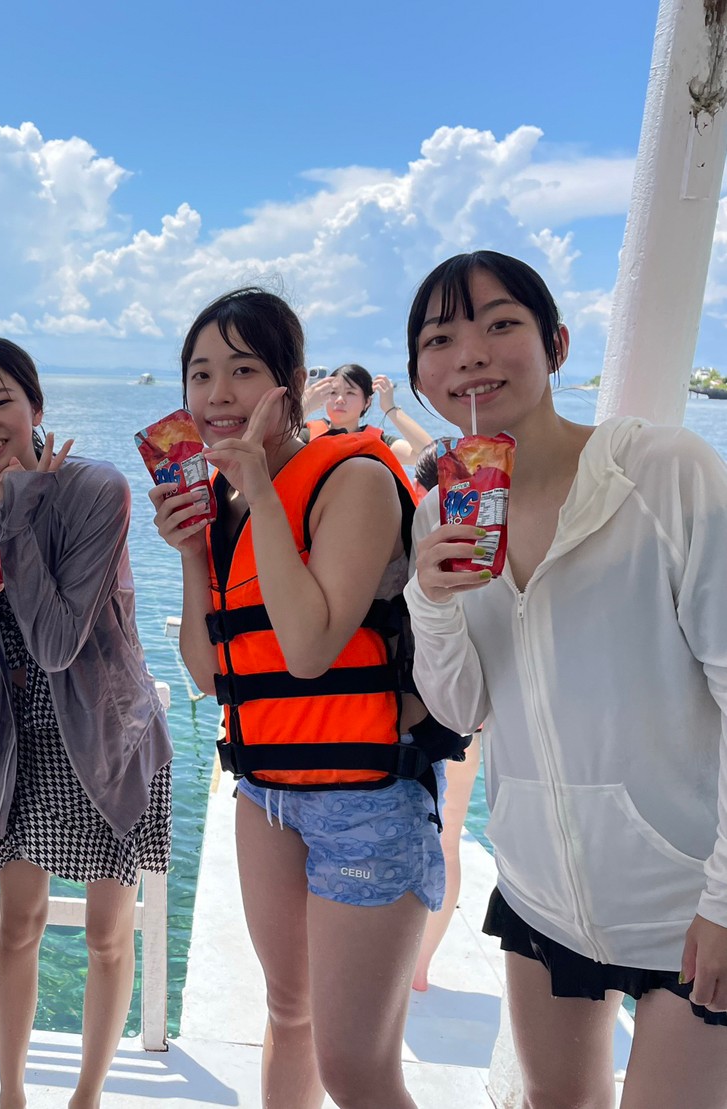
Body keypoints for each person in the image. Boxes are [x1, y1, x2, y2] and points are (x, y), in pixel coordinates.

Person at [405, 250, 727, 1106]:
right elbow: (461, 708)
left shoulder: (662, 472)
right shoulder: (442, 512)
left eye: (500, 323)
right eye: (440, 339)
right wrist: (428, 599)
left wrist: (725, 898)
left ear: (556, 344)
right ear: (420, 378)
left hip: (687, 899)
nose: (471, 354)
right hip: (541, 893)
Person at [151, 289, 462, 1109]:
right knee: (287, 1013)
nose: (217, 394)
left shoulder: (351, 478)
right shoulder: (219, 502)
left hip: (368, 796)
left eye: (241, 370)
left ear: (291, 384)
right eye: (199, 374)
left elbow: (310, 650)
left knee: (353, 1065)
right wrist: (191, 550)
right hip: (265, 792)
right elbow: (211, 675)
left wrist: (259, 490)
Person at [0, 336, 173, 1109]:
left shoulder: (96, 489)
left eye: (2, 400)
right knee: (16, 926)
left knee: (107, 935)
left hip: (108, 735)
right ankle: (10, 1095)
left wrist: (21, 509)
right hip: (23, 739)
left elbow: (60, 642)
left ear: (35, 405)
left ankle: (86, 1096)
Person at [406, 439, 482, 992]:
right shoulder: (487, 530)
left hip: (446, 709)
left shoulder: (425, 529)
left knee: (443, 834)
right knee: (447, 837)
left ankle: (417, 963)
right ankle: (419, 966)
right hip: (463, 711)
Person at [302, 362, 433, 464]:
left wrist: (390, 407)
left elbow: (431, 455)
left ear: (367, 402)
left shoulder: (379, 443)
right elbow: (286, 446)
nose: (340, 399)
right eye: (333, 392)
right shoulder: (306, 437)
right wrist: (305, 406)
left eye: (350, 393)